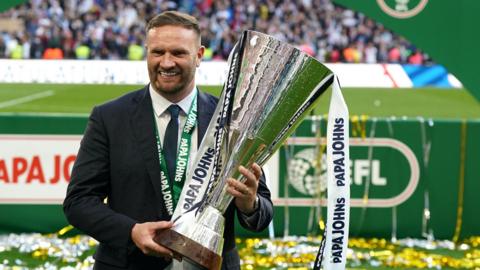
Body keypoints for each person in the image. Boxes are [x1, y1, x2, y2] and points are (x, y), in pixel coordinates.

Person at [63, 11, 273, 270]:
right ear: (146, 52)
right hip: (129, 264)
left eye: (178, 53)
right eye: (157, 52)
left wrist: (249, 204)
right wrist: (131, 231)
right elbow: (78, 202)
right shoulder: (109, 118)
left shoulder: (232, 122)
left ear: (199, 56)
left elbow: (262, 213)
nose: (166, 62)